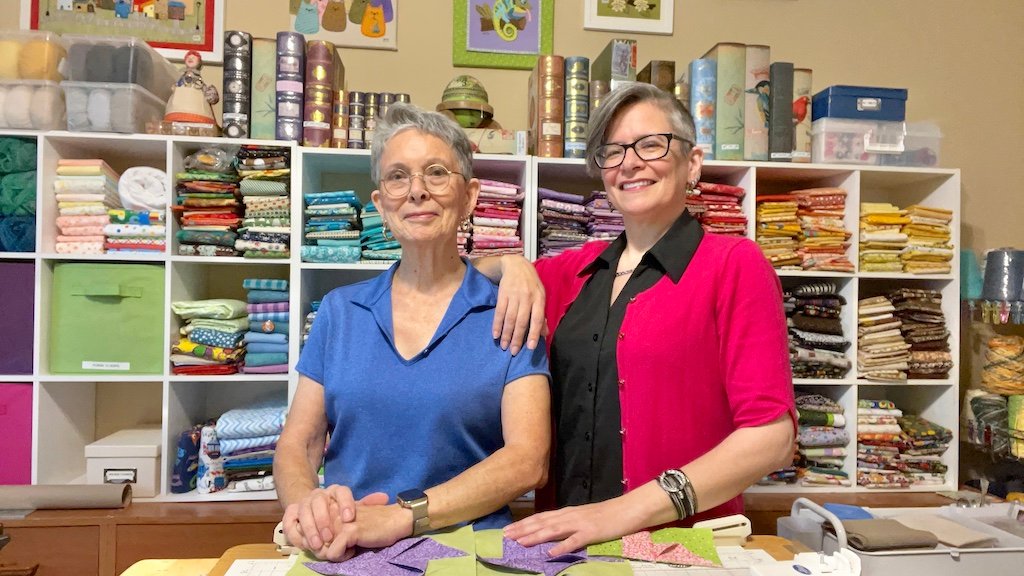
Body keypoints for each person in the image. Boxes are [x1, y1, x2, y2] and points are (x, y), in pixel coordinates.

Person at [479, 82, 796, 555]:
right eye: (612, 151)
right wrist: (512, 264)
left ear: (693, 162)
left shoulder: (734, 265)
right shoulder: (572, 272)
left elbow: (772, 436)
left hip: (684, 551)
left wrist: (622, 512)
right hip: (564, 550)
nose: (629, 163)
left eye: (650, 144)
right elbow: (464, 281)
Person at [273, 103, 551, 561]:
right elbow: (299, 442)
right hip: (349, 548)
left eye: (437, 173)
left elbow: (528, 461)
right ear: (381, 203)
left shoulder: (510, 311)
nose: (417, 192)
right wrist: (307, 508)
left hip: (471, 555)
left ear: (470, 196)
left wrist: (405, 516)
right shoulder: (341, 312)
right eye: (398, 177)